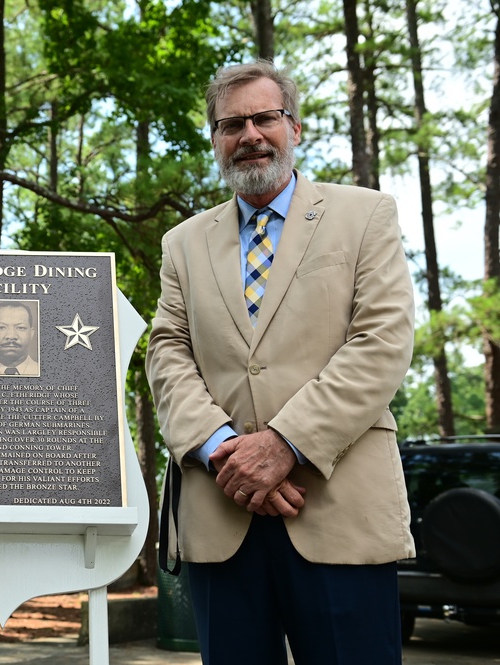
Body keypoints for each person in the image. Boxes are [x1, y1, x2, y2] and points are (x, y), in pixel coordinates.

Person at [146, 61, 415, 664]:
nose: (250, 135)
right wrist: (222, 448)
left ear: (295, 127)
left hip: (336, 507)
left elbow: (381, 341)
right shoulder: (182, 244)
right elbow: (167, 353)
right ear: (215, 139)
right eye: (231, 123)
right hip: (221, 515)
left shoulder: (365, 215)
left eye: (265, 117)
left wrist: (284, 445)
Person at [0, 300, 40, 376]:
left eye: (20, 327)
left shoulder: (43, 371)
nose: (11, 336)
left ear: (31, 333)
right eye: (1, 327)